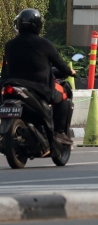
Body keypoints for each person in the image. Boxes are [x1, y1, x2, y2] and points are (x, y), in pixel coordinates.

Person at [1, 9, 76, 145]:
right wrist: (70, 72)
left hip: (10, 85)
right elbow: (60, 65)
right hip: (38, 87)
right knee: (63, 95)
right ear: (38, 25)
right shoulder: (44, 43)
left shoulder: (10, 45)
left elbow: (5, 69)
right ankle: (60, 132)